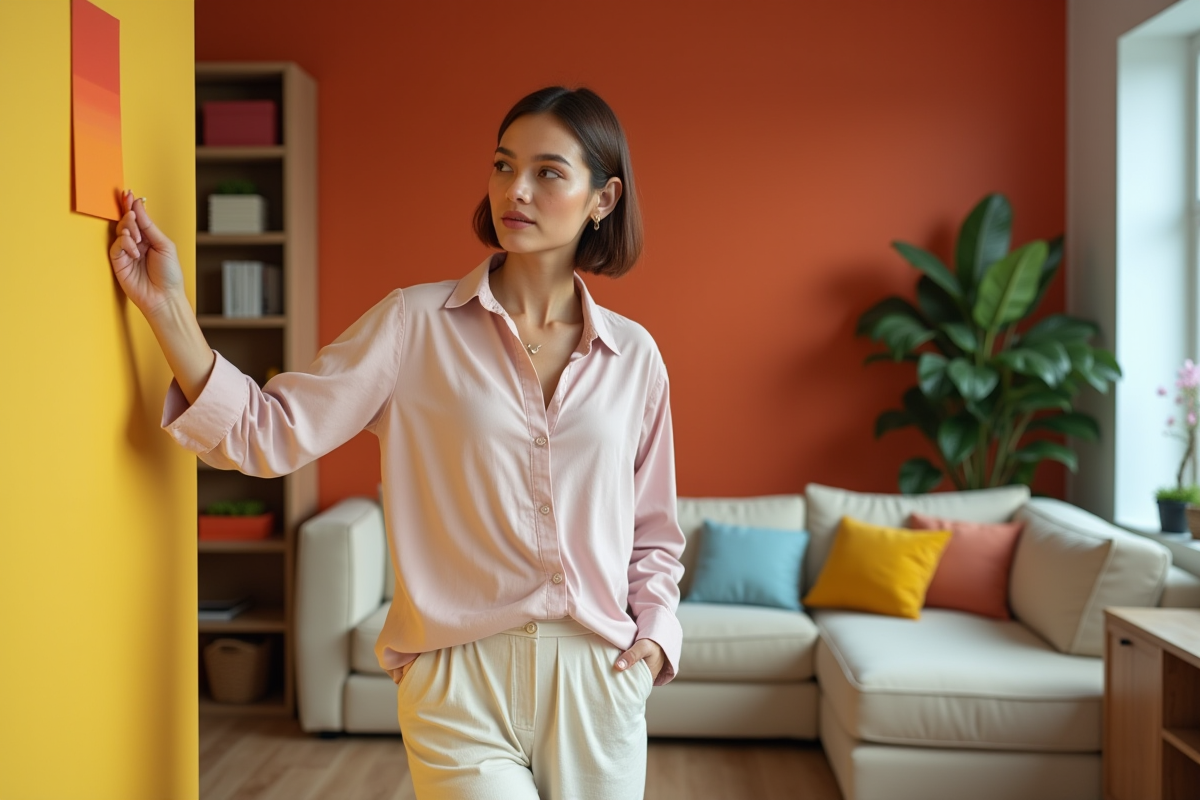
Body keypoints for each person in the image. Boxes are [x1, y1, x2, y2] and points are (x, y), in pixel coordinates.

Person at [109, 86, 686, 799]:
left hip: (596, 677)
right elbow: (267, 435)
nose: (518, 190)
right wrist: (168, 309)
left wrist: (656, 633)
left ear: (604, 198)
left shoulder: (636, 357)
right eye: (504, 167)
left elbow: (654, 532)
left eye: (548, 172)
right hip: (457, 679)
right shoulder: (413, 324)